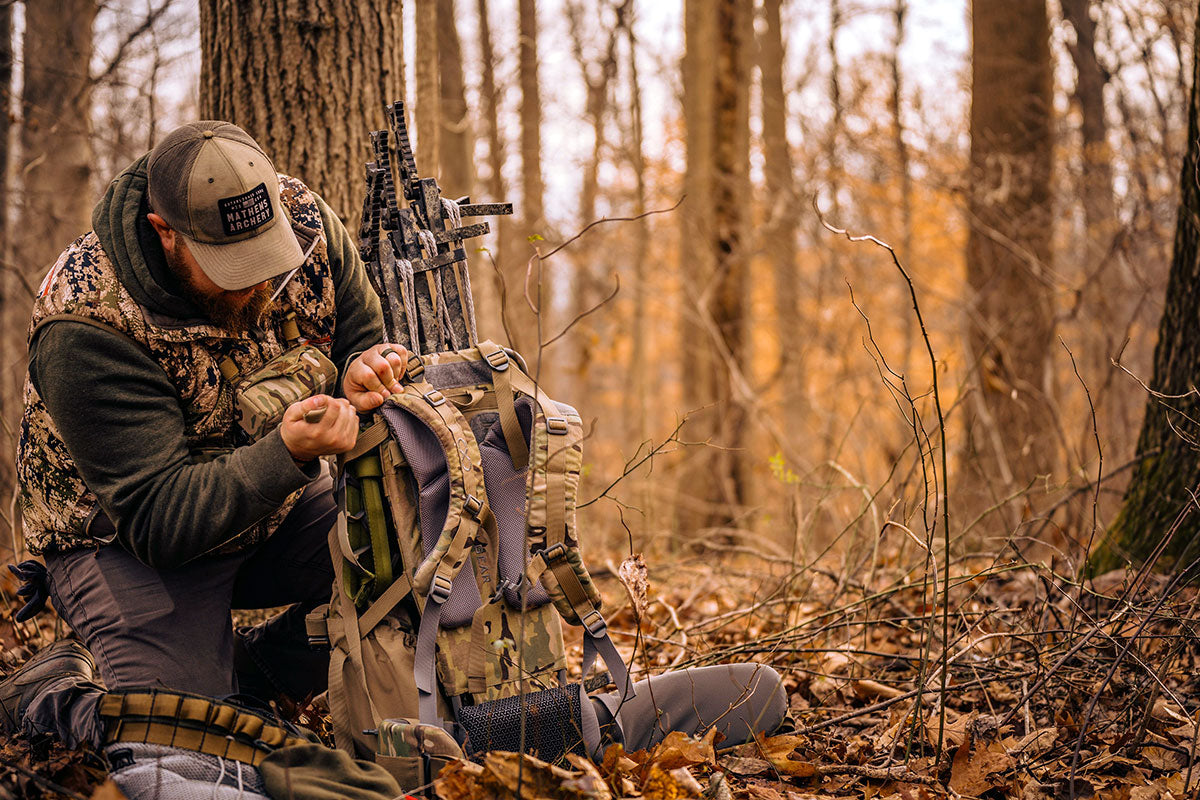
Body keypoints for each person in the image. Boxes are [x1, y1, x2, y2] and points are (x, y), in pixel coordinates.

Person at [0, 120, 787, 797]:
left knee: (423, 544)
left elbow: (357, 329)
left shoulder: (304, 219)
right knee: (180, 746)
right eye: (232, 272)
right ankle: (58, 693)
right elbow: (161, 521)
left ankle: (273, 673)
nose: (259, 290)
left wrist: (366, 367)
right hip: (129, 546)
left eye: (267, 259)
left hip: (277, 507)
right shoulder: (87, 324)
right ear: (166, 231)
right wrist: (287, 453)